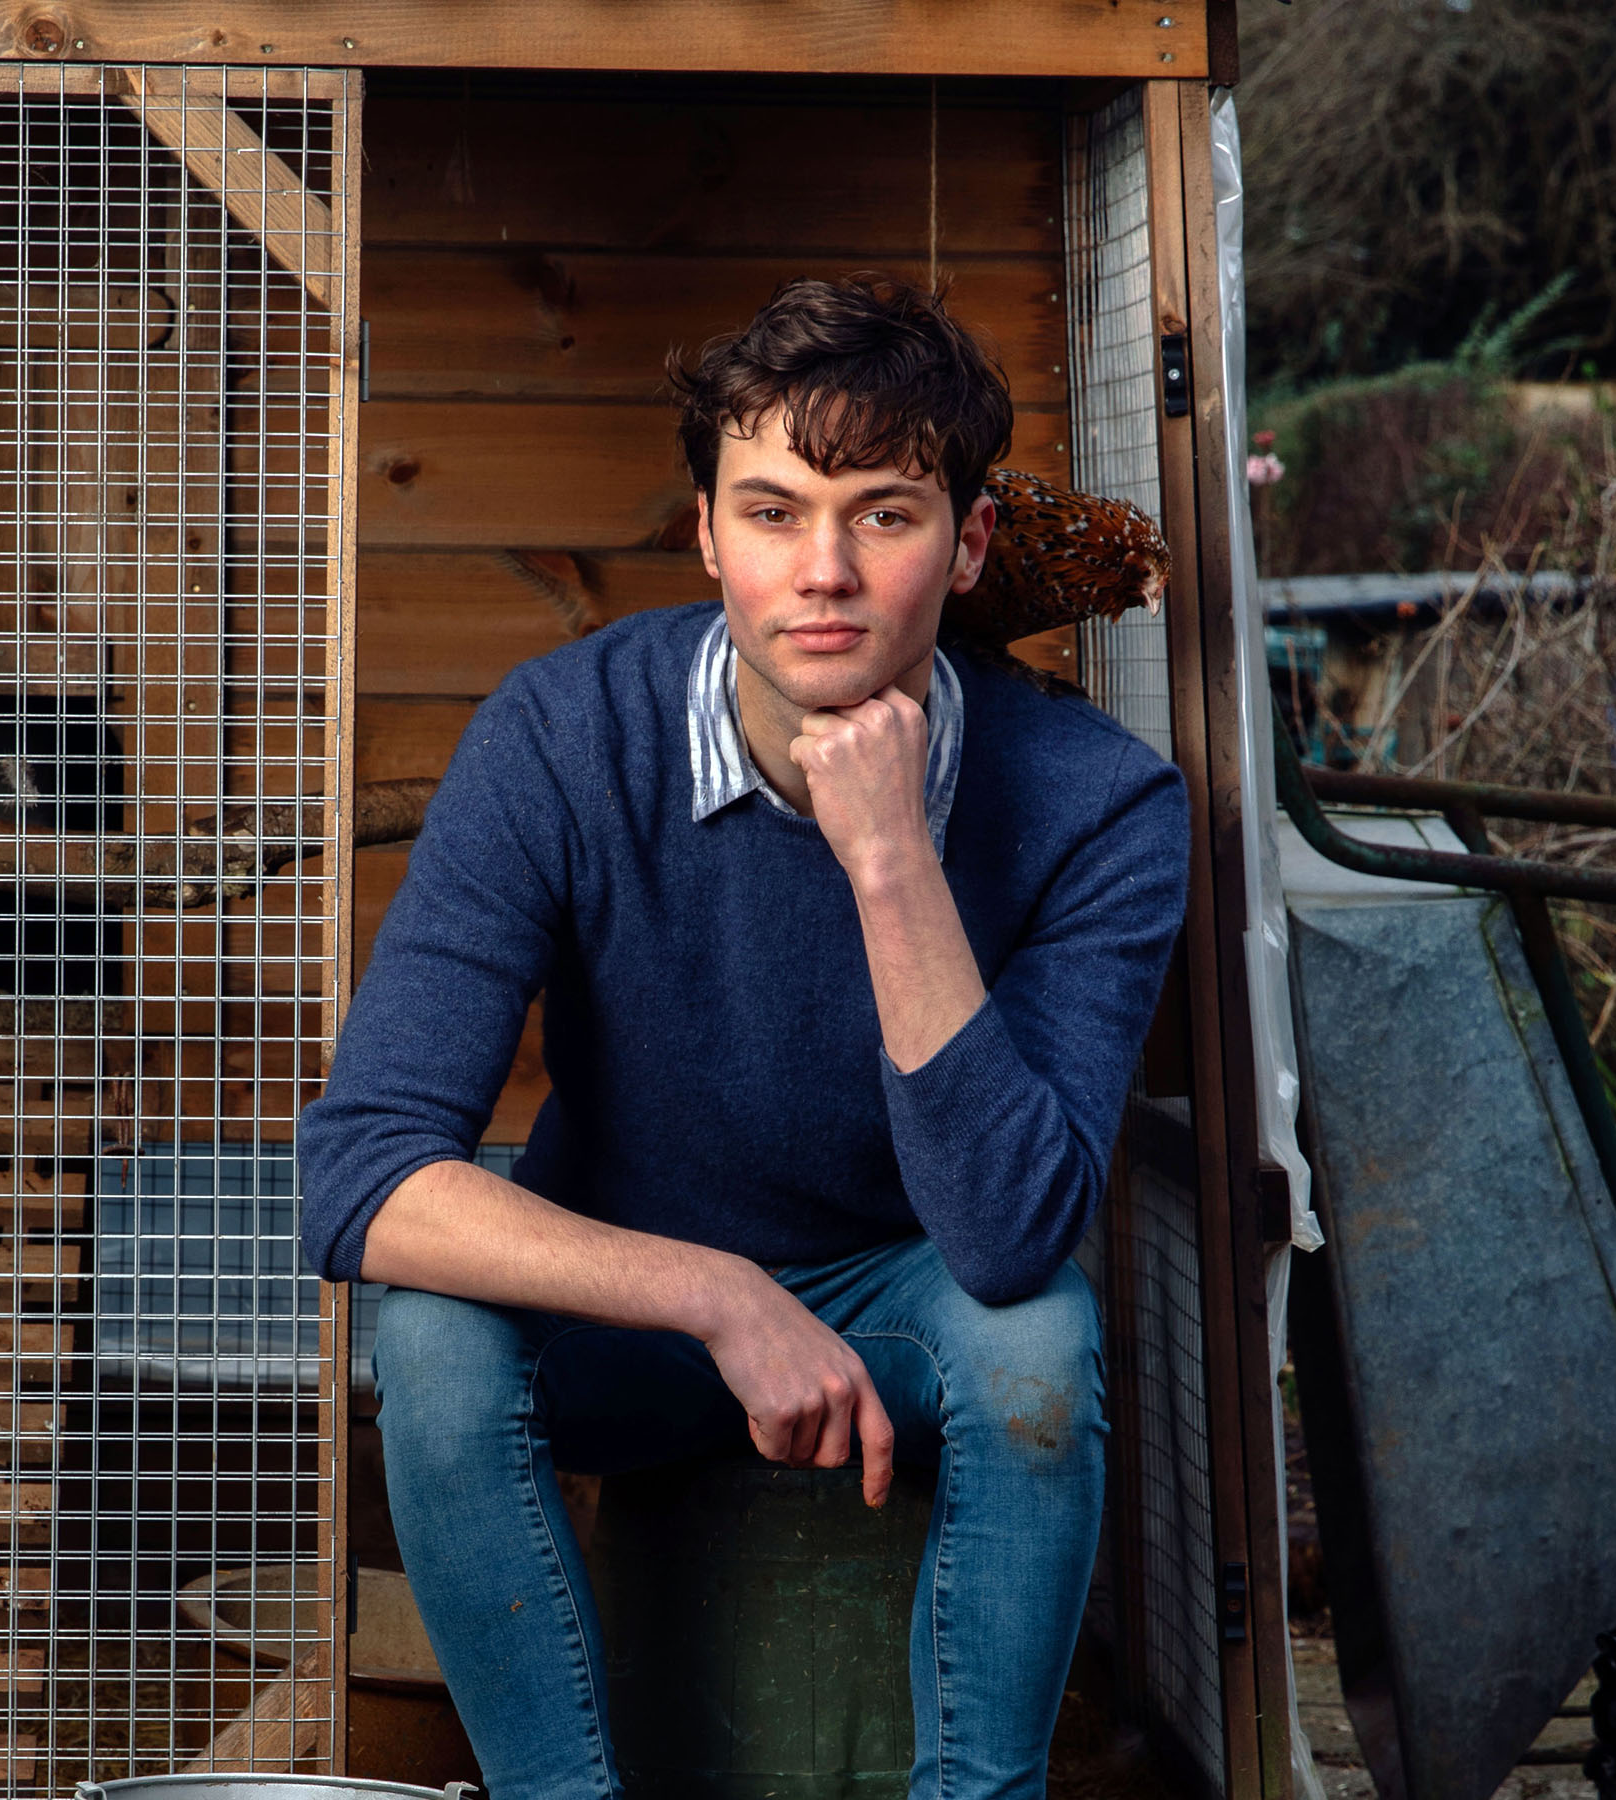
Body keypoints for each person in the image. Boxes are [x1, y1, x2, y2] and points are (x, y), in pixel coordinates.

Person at [297, 274, 1190, 1800]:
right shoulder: (564, 734)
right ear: (707, 534)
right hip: (630, 1312)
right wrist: (711, 1294)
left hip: (900, 1300)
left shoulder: (1097, 803)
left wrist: (890, 857)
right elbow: (363, 1177)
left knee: (1035, 1340)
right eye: (771, 514)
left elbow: (1005, 1235)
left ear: (967, 543)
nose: (823, 570)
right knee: (436, 1343)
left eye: (884, 515)